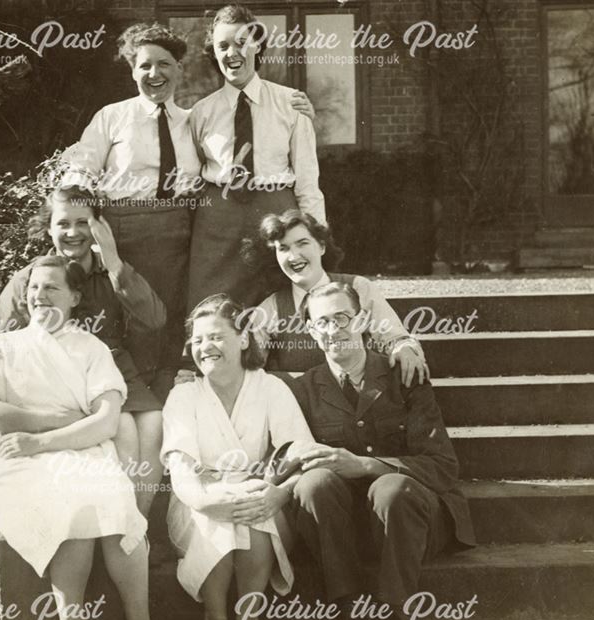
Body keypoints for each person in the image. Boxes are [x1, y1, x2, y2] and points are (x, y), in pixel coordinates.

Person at [63, 22, 316, 396]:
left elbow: (231, 154)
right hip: (125, 232)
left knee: (170, 321)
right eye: (145, 65)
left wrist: (303, 110)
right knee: (129, 320)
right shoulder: (112, 116)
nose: (155, 74)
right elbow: (81, 167)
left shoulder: (193, 119)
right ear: (132, 70)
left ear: (180, 69)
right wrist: (75, 219)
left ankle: (173, 400)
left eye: (164, 64)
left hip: (178, 237)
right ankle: (122, 399)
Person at [0, 255, 152, 620]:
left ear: (74, 296)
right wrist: (51, 423)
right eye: (34, 288)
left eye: (51, 288)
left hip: (80, 448)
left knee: (120, 508)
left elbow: (104, 423)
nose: (40, 296)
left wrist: (43, 440)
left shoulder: (92, 348)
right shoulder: (1, 347)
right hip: (20, 460)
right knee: (74, 505)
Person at [285, 282, 475, 620]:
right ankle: (348, 611)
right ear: (310, 330)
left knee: (392, 488)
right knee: (313, 484)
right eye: (321, 322)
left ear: (363, 320)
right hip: (340, 527)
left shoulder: (401, 375)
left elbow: (442, 465)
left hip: (408, 516)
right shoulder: (304, 389)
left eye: (342, 318)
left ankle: (395, 614)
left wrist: (368, 466)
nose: (333, 330)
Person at [0, 185, 165, 518]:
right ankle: (112, 524)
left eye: (82, 222)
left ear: (97, 226)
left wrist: (114, 261)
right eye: (63, 224)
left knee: (153, 424)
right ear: (49, 228)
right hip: (58, 377)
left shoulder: (111, 271)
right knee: (121, 430)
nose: (73, 232)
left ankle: (137, 523)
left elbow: (155, 319)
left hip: (113, 374)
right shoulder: (35, 278)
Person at [161, 294, 318, 620]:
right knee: (226, 502)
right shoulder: (183, 396)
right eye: (198, 340)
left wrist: (280, 493)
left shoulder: (270, 388)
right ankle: (215, 619)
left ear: (243, 338)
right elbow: (181, 468)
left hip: (264, 497)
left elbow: (302, 454)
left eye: (216, 336)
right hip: (194, 500)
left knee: (249, 502)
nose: (205, 347)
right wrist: (206, 500)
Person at [187, 4, 327, 311]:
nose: (232, 53)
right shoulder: (201, 112)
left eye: (241, 42)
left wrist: (315, 233)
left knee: (279, 296)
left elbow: (307, 177)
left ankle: (278, 359)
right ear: (214, 52)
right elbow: (189, 173)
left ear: (257, 46)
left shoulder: (290, 103)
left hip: (275, 212)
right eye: (223, 45)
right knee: (211, 301)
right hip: (218, 219)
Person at [245, 209, 428, 385]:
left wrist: (404, 349)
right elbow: (247, 367)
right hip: (303, 410)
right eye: (283, 248)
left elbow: (396, 338)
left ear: (322, 247)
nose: (294, 256)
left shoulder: (358, 287)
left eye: (302, 243)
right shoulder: (272, 308)